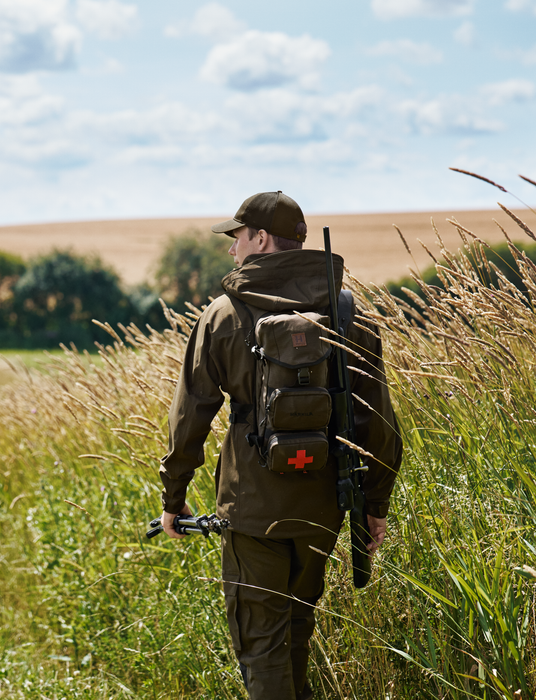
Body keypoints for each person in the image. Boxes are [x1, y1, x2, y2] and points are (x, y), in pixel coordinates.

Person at [159, 191, 403, 699]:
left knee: (261, 648)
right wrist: (374, 504)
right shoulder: (347, 314)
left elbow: (190, 418)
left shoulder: (225, 315)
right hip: (323, 506)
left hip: (252, 509)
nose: (232, 249)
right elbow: (379, 424)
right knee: (295, 636)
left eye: (238, 236)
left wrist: (173, 496)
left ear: (262, 239)